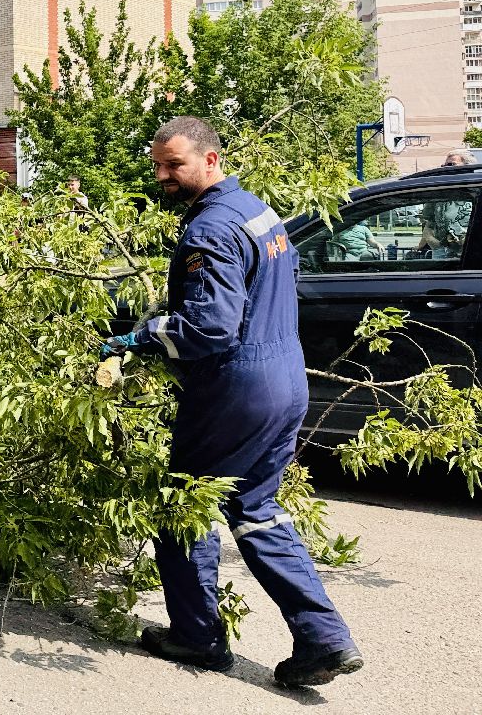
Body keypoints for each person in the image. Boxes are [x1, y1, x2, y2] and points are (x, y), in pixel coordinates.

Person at [102, 116, 362, 689]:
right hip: (284, 379)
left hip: (235, 388)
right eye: (158, 166)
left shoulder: (209, 230)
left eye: (175, 165)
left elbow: (211, 326)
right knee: (256, 510)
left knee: (183, 503)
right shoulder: (257, 211)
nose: (164, 176)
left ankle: (196, 637)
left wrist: (137, 338)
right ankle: (324, 637)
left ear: (210, 160)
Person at [418, 151, 473, 258]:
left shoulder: (475, 190)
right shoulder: (439, 192)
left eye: (451, 165)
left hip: (469, 253)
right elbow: (429, 222)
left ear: (467, 168)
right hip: (441, 251)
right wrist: (432, 240)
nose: (446, 168)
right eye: (444, 165)